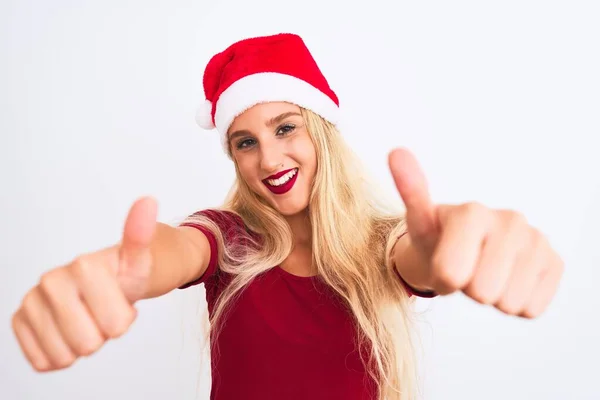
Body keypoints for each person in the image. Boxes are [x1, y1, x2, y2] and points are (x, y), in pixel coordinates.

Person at [11, 33, 564, 400]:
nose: (269, 160)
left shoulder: (380, 244)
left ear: (320, 130)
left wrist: (452, 252)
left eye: (285, 128)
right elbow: (174, 249)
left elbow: (418, 258)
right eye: (245, 142)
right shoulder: (227, 238)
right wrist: (119, 272)